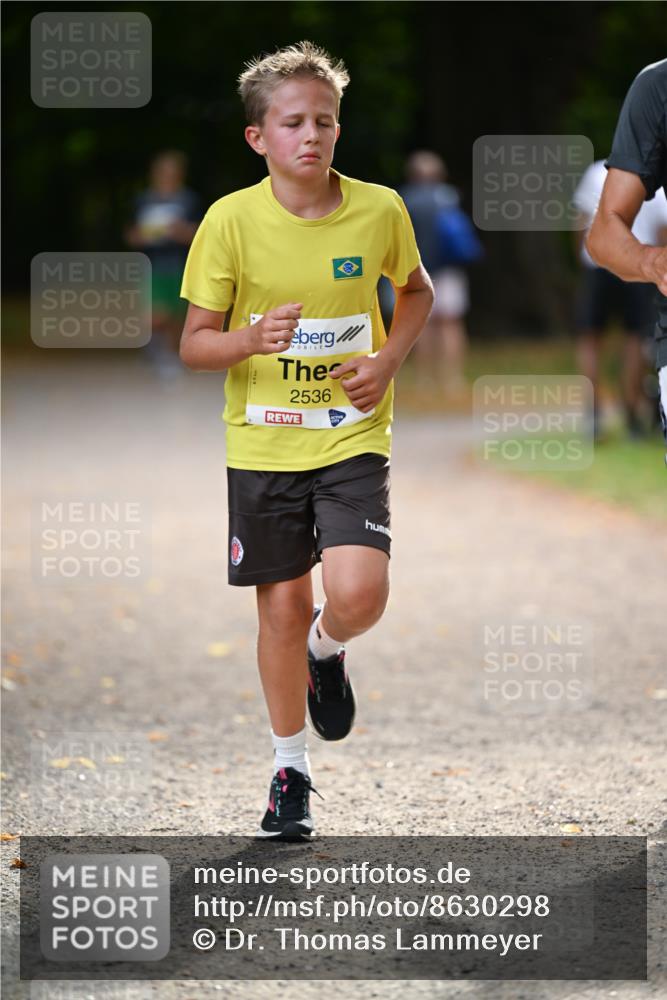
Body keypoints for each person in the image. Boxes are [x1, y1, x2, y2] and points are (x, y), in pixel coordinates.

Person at [178, 41, 433, 839]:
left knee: (359, 594)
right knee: (280, 609)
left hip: (352, 432)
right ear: (260, 137)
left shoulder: (380, 208)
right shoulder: (229, 221)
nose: (311, 136)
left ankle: (330, 650)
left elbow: (415, 294)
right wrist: (251, 339)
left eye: (324, 120)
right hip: (262, 444)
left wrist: (387, 360)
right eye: (292, 123)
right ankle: (289, 771)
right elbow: (193, 343)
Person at [586, 59, 667, 453]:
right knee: (612, 338)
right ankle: (608, 412)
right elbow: (600, 231)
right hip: (624, 273)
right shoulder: (658, 86)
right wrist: (651, 261)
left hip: (616, 278)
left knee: (620, 339)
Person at [573, 158, 667, 439]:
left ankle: (593, 414)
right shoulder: (657, 179)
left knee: (590, 337)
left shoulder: (597, 171)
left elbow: (580, 221)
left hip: (597, 263)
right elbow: (663, 233)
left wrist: (584, 258)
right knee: (635, 338)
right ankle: (631, 415)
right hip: (637, 265)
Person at [399, 151, 478, 396]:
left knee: (422, 325)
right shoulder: (448, 197)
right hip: (449, 270)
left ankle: (424, 381)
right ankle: (453, 379)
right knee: (451, 323)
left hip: (417, 271)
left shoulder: (404, 199)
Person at [125, 151, 202, 374]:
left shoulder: (188, 200)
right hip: (152, 263)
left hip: (180, 262)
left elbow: (200, 233)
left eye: (172, 171)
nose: (167, 175)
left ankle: (170, 356)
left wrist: (180, 231)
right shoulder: (144, 200)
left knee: (177, 313)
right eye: (163, 171)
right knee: (155, 314)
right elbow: (131, 234)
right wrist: (143, 236)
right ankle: (157, 351)